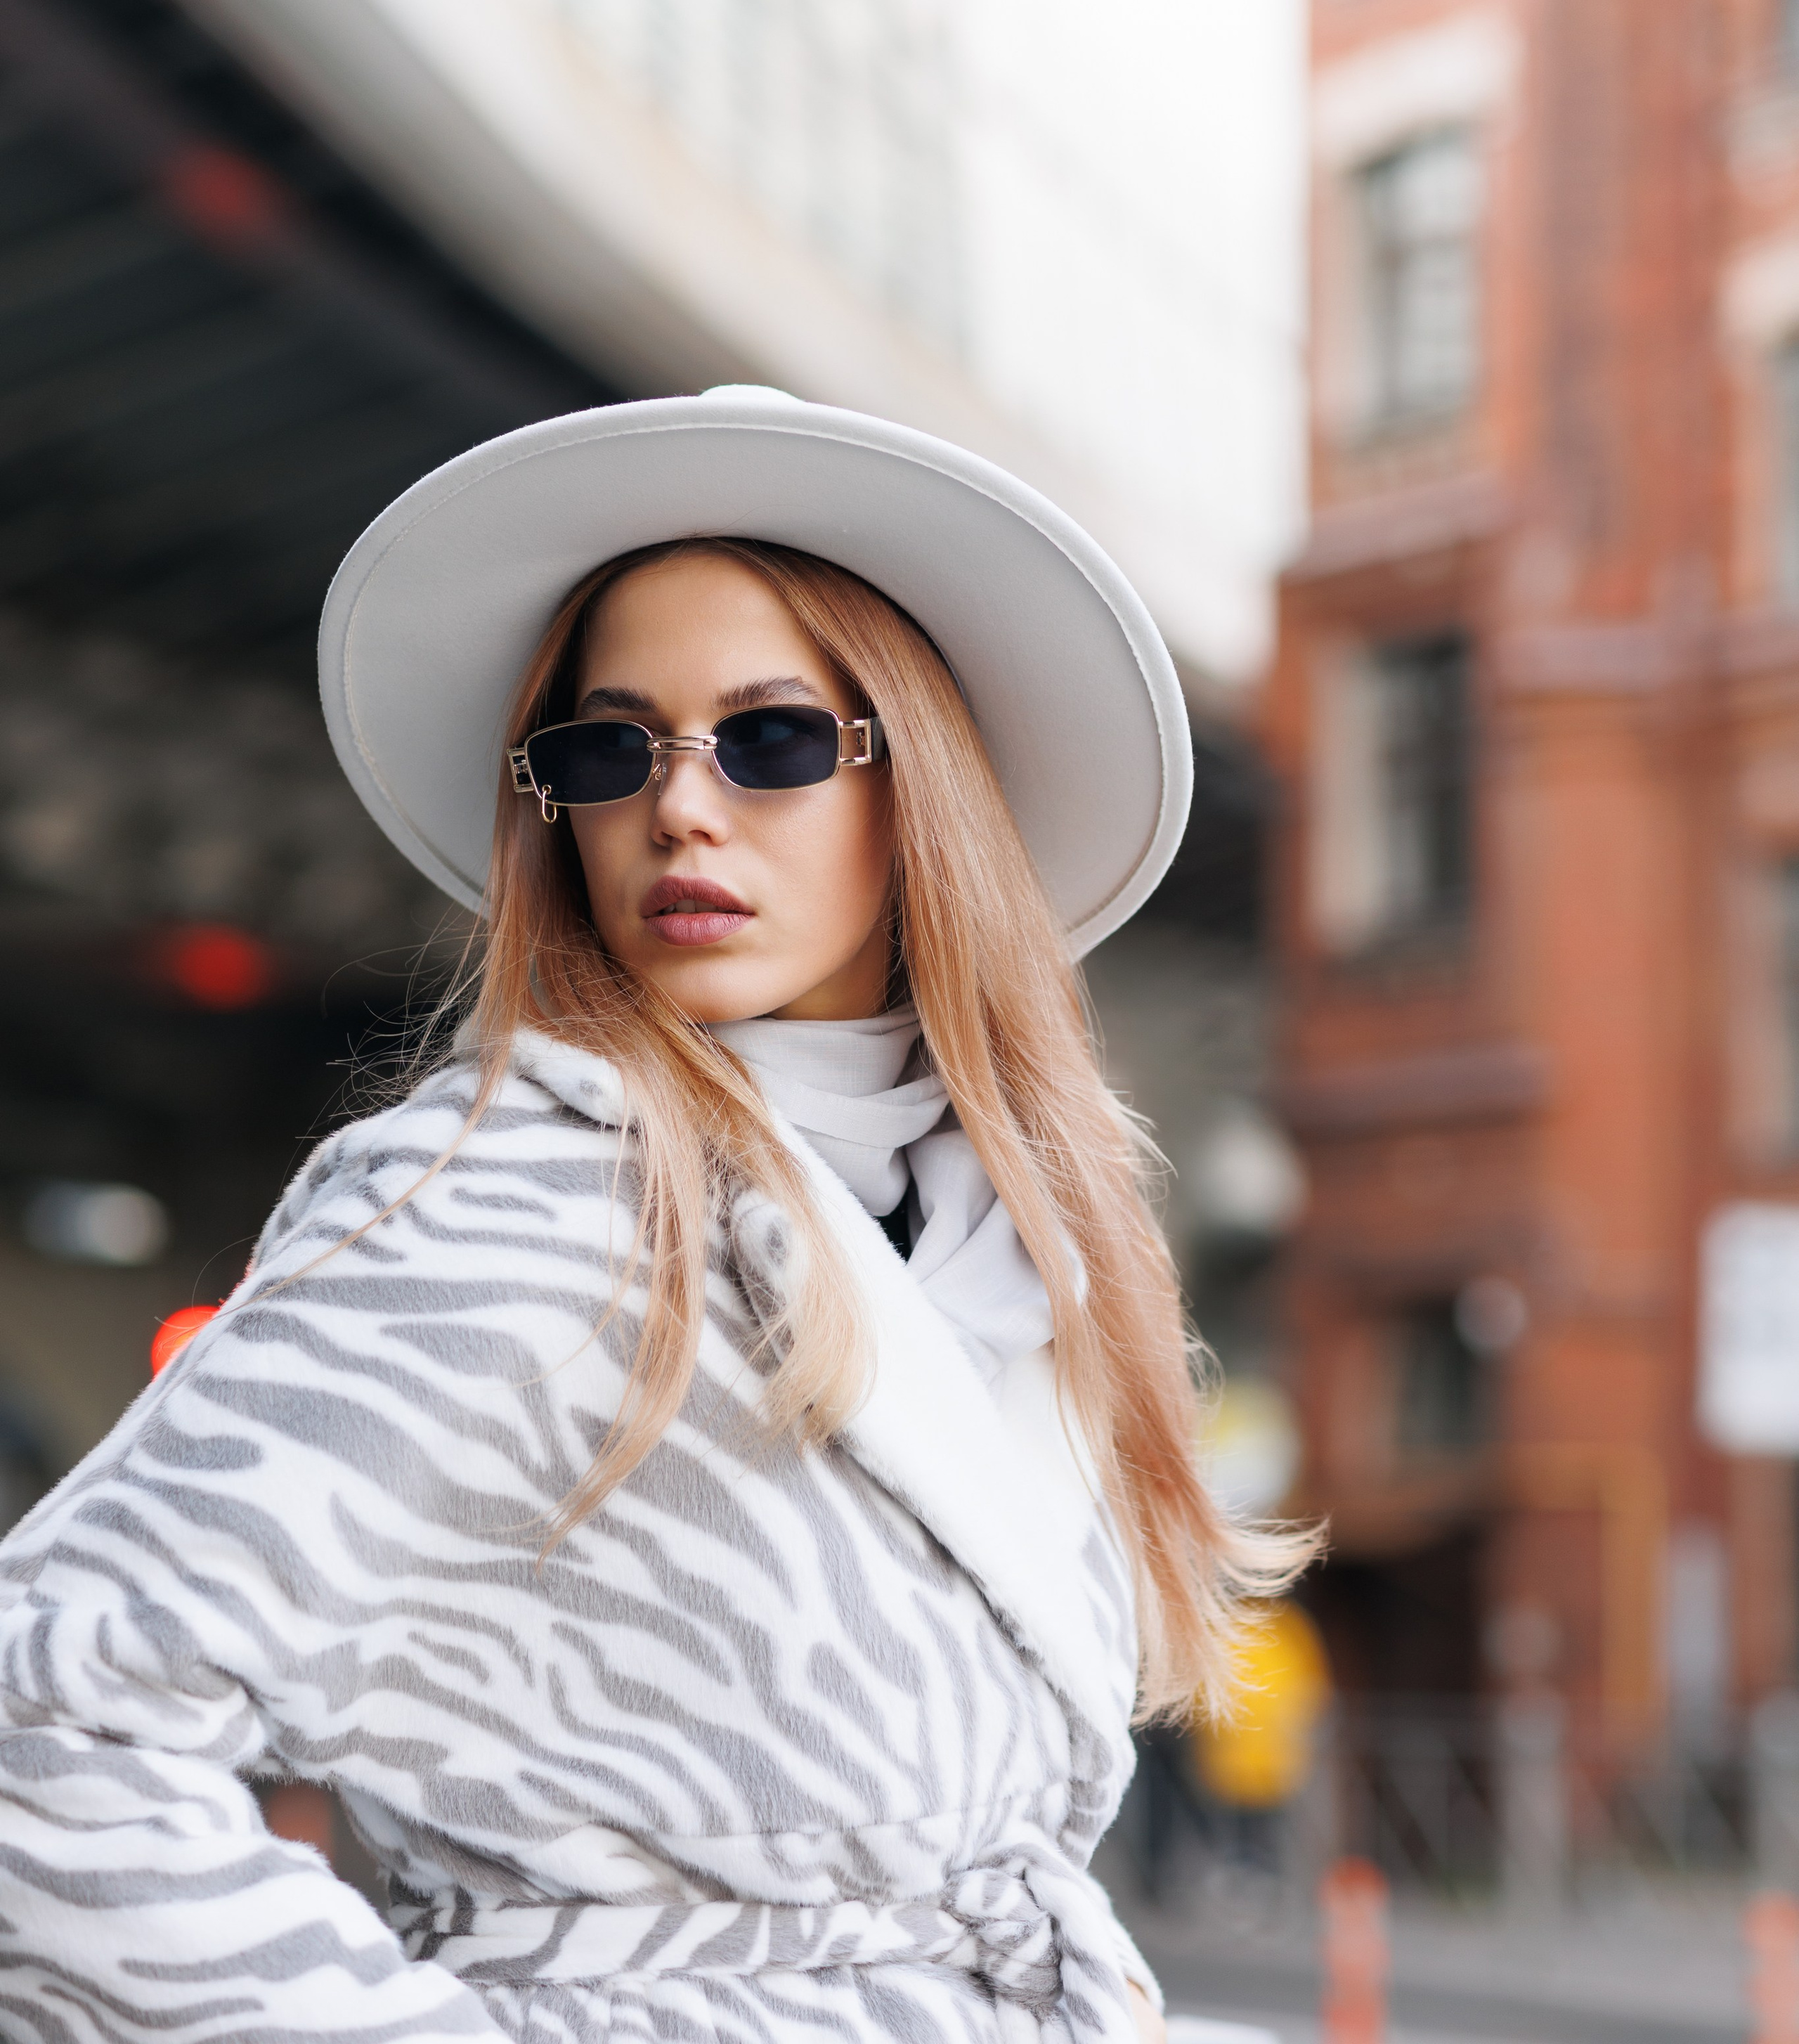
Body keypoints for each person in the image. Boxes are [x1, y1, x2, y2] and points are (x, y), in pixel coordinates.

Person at [0, 389, 1304, 2043]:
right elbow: (40, 1734)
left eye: (769, 741)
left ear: (919, 784)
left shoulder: (1008, 1250)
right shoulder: (512, 1196)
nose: (678, 807)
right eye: (606, 751)